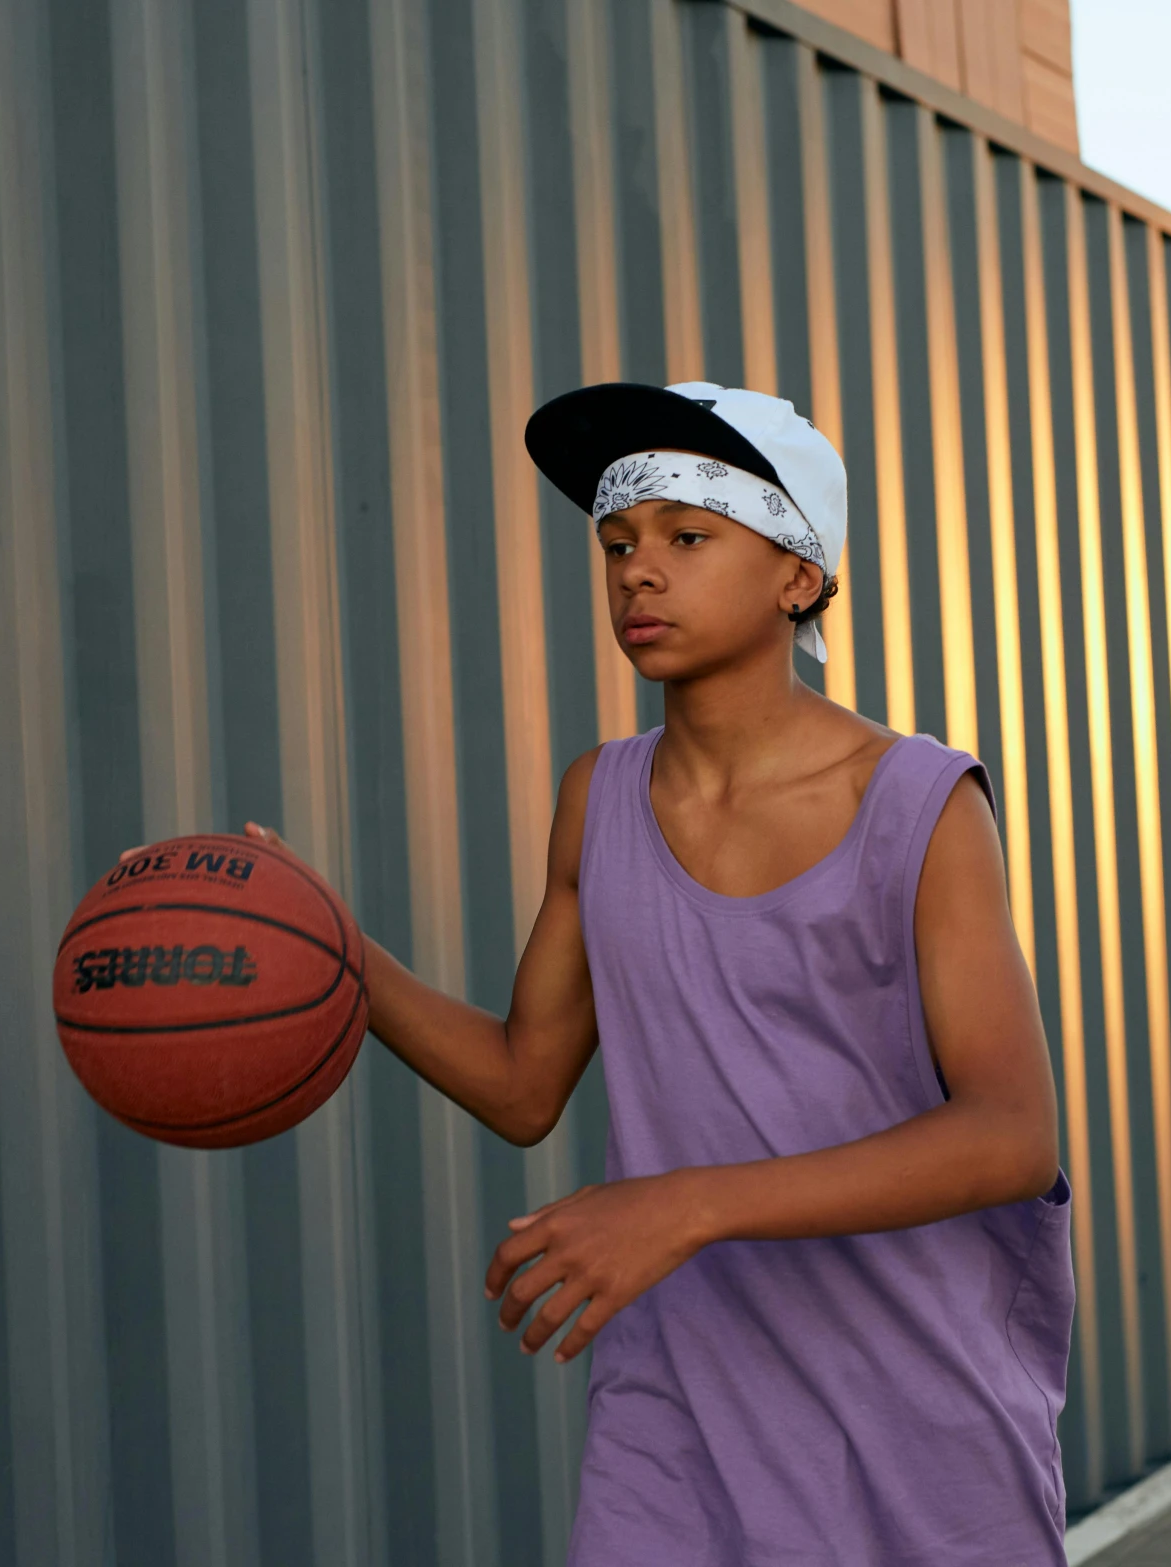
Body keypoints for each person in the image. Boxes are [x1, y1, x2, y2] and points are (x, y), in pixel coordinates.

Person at [248, 381, 1073, 1564]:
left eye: (689, 537)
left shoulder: (916, 805)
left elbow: (1009, 1137)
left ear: (800, 575)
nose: (638, 571)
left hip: (913, 1405)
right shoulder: (599, 799)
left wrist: (681, 1205)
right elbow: (525, 1083)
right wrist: (326, 938)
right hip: (679, 1400)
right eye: (618, 542)